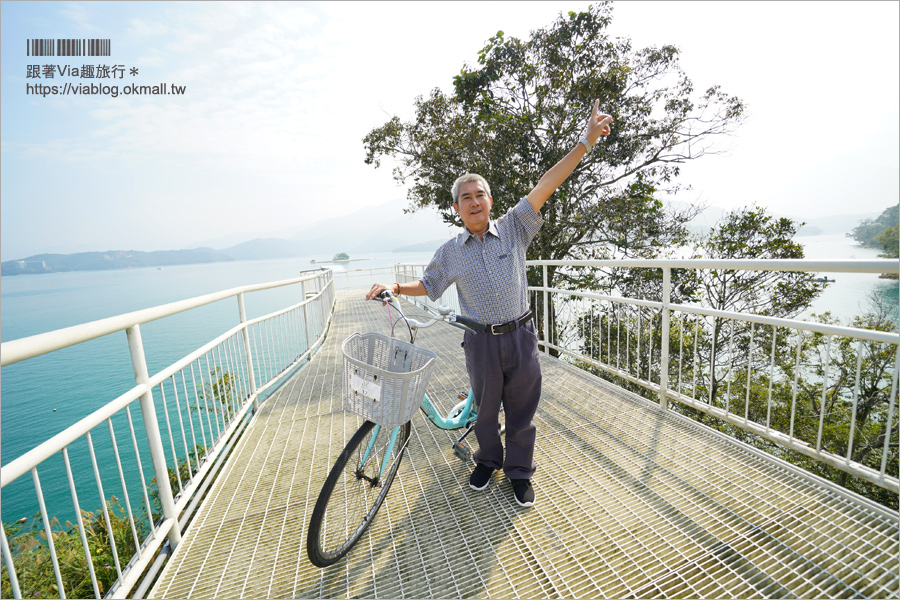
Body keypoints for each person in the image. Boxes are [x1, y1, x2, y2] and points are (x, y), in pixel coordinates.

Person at [366, 100, 613, 507]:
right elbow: (428, 285)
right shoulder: (451, 251)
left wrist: (584, 143)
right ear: (456, 208)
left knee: (522, 409)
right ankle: (487, 459)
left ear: (491, 200)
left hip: (519, 336)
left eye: (480, 194)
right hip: (479, 341)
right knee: (484, 410)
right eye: (466, 197)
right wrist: (392, 286)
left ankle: (519, 471)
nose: (474, 201)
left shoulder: (515, 226)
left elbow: (547, 184)